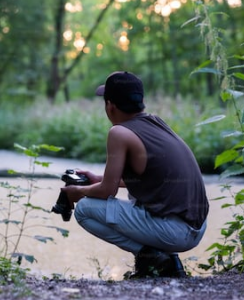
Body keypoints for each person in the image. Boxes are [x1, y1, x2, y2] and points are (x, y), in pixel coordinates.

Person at [61, 71, 209, 279]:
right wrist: (97, 179)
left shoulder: (119, 132)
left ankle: (154, 258)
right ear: (141, 101)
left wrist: (76, 192)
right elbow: (151, 178)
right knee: (135, 198)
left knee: (85, 209)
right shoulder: (156, 122)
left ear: (110, 106)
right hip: (197, 226)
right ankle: (164, 261)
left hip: (176, 233)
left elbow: (106, 191)